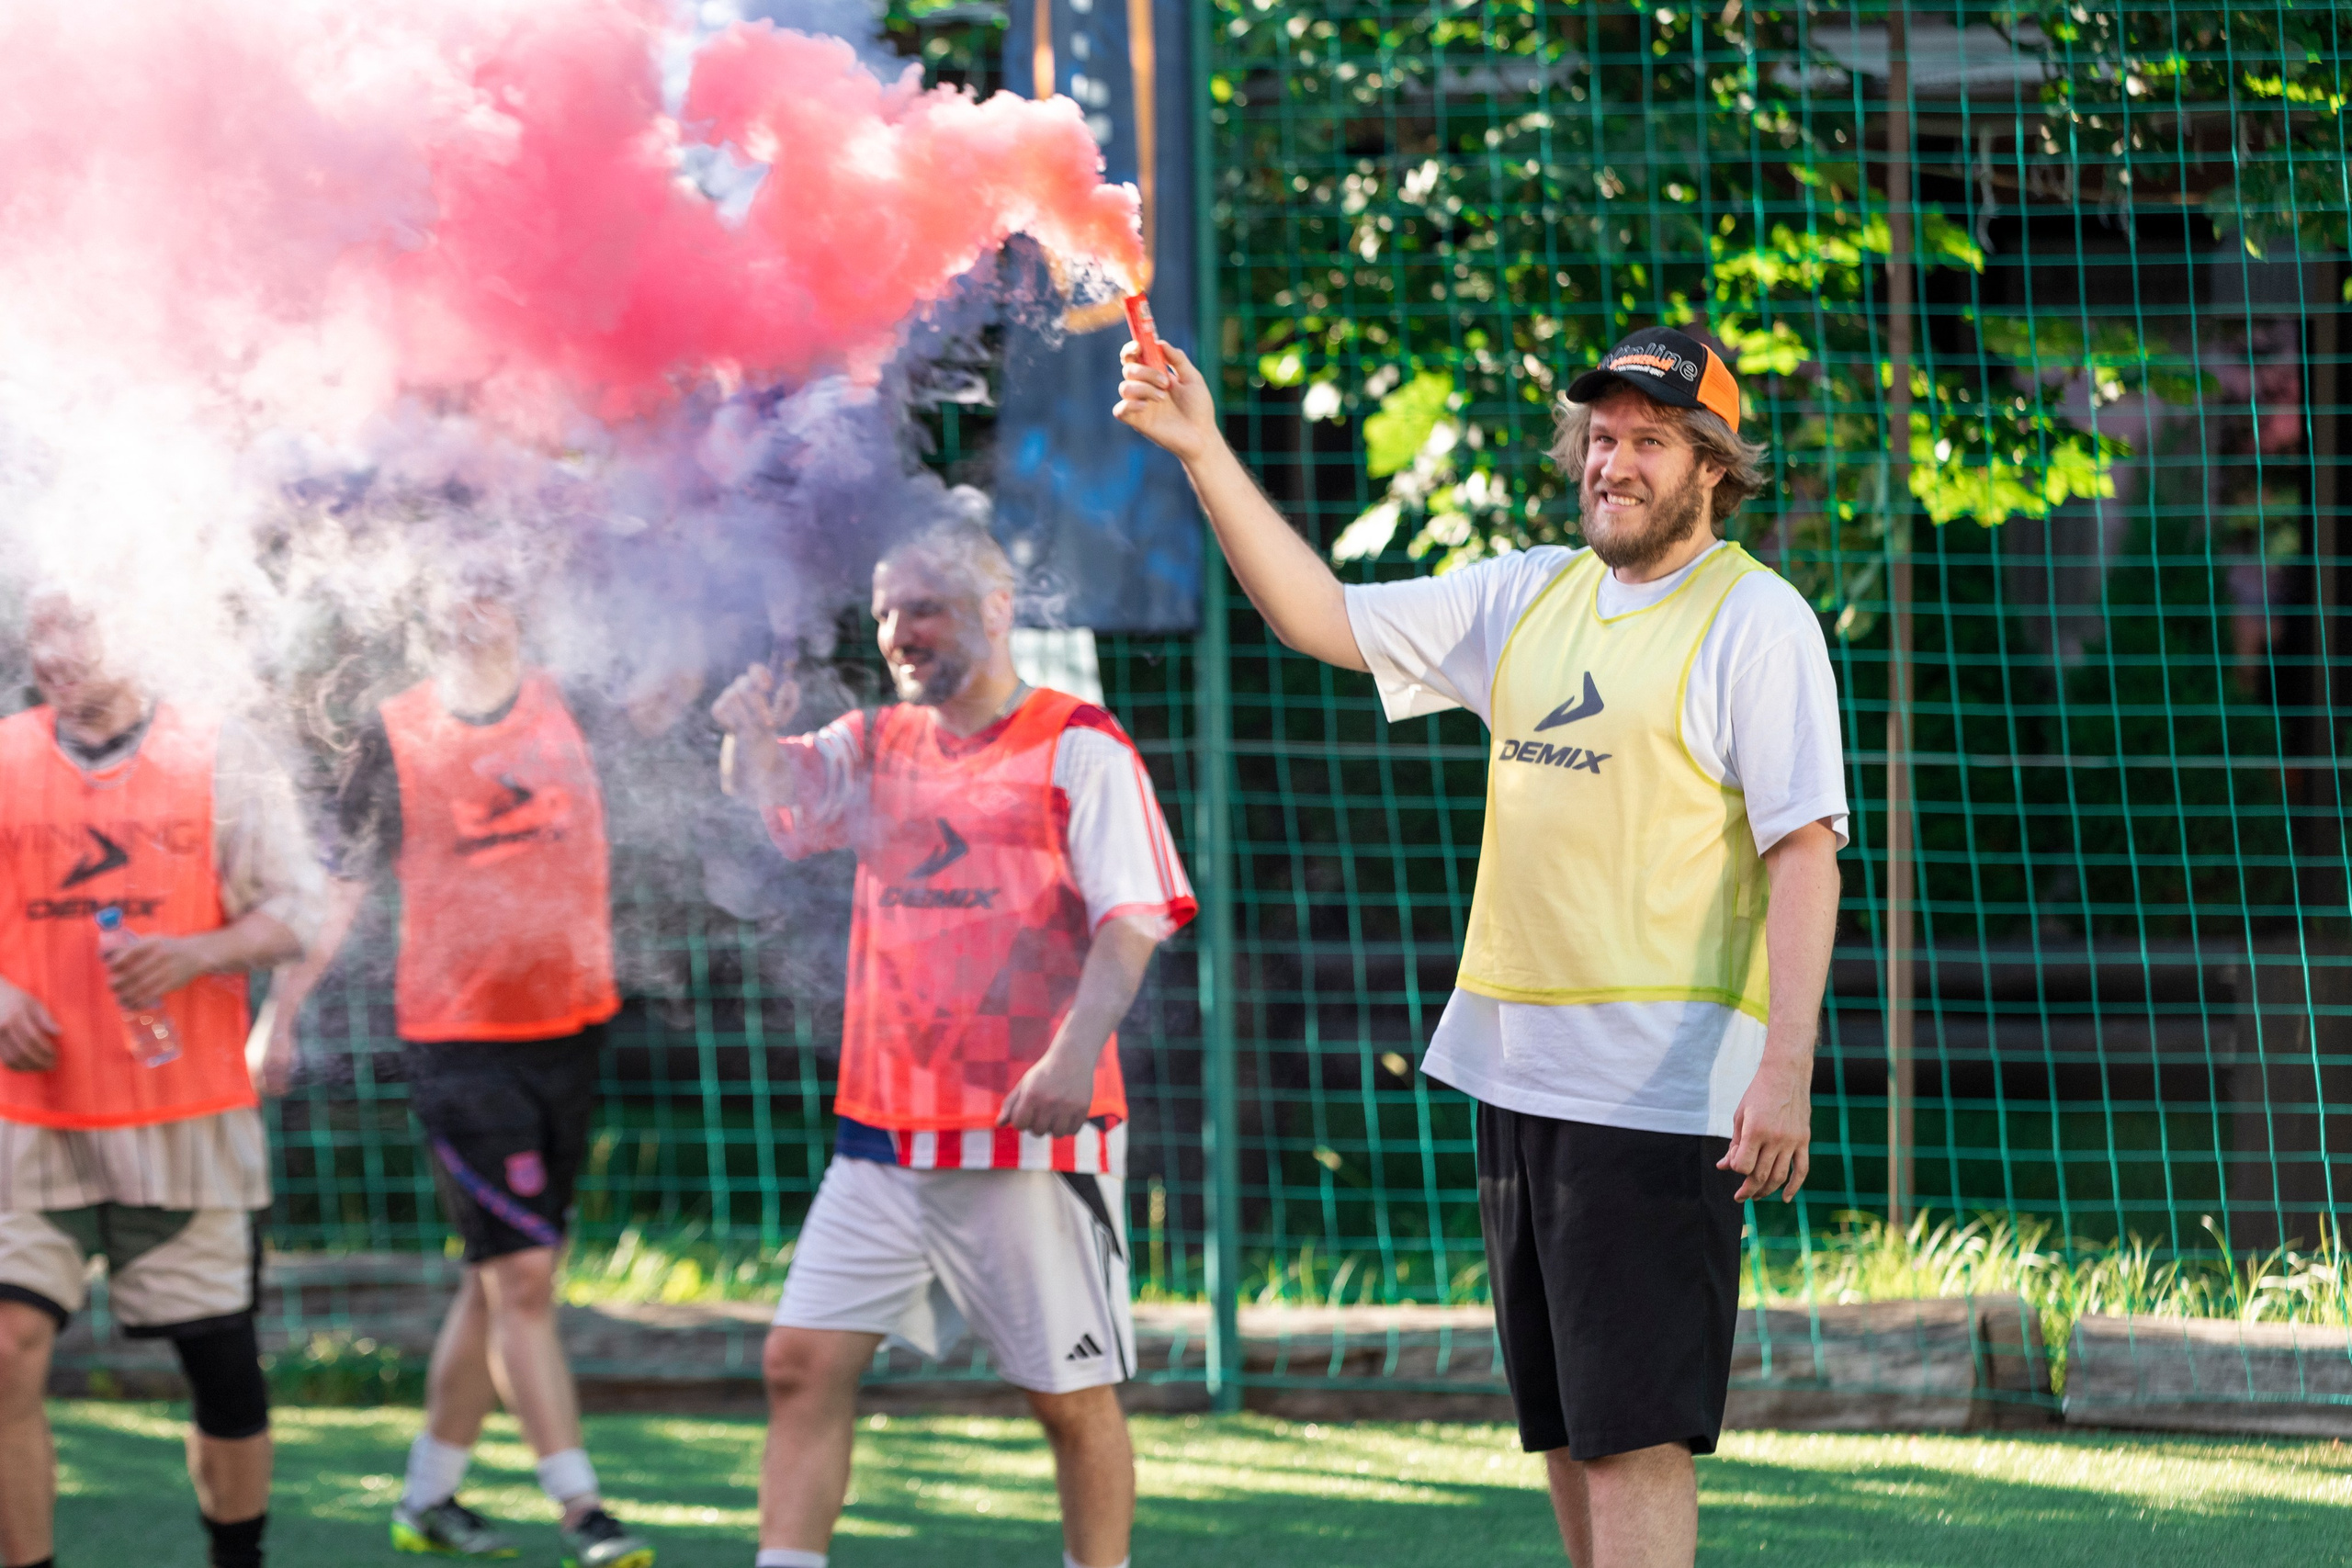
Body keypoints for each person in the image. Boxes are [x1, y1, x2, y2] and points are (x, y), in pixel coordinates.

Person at [1115, 325, 1847, 1568]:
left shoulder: (1758, 621)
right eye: (1603, 438)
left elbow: (1805, 853)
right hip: (1518, 1075)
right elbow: (1320, 617)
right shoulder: (1530, 592)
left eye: (1651, 442)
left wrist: (1785, 1068)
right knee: (1566, 1424)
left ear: (1714, 466)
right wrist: (1202, 449)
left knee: (1633, 1429)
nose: (1616, 462)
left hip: (1663, 1090)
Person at [711, 518, 1195, 1568]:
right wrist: (746, 736)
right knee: (798, 1364)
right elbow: (770, 792)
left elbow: (1136, 916)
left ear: (994, 609)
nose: (897, 631)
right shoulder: (875, 741)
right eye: (884, 610)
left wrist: (1071, 1056)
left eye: (921, 606)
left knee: (1068, 1402)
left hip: (1027, 1141)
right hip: (880, 1140)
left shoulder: (1080, 743)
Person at [259, 571, 653, 1568]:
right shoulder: (389, 736)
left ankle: (427, 1496)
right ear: (420, 606)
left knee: (495, 1280)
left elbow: (675, 682)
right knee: (522, 1278)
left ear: (522, 598)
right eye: (453, 590)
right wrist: (281, 1013)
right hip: (458, 1043)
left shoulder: (579, 704)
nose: (473, 607)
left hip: (571, 1029)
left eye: (492, 587)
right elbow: (338, 893)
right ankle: (583, 1507)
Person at [0, 593, 324, 1568]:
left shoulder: (218, 753)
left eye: (79, 625)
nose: (53, 652)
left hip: (186, 1121)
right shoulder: (6, 754)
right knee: (8, 1350)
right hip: (31, 1125)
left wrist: (198, 952)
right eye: (39, 629)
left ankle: (238, 1560)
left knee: (219, 1366)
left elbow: (297, 912)